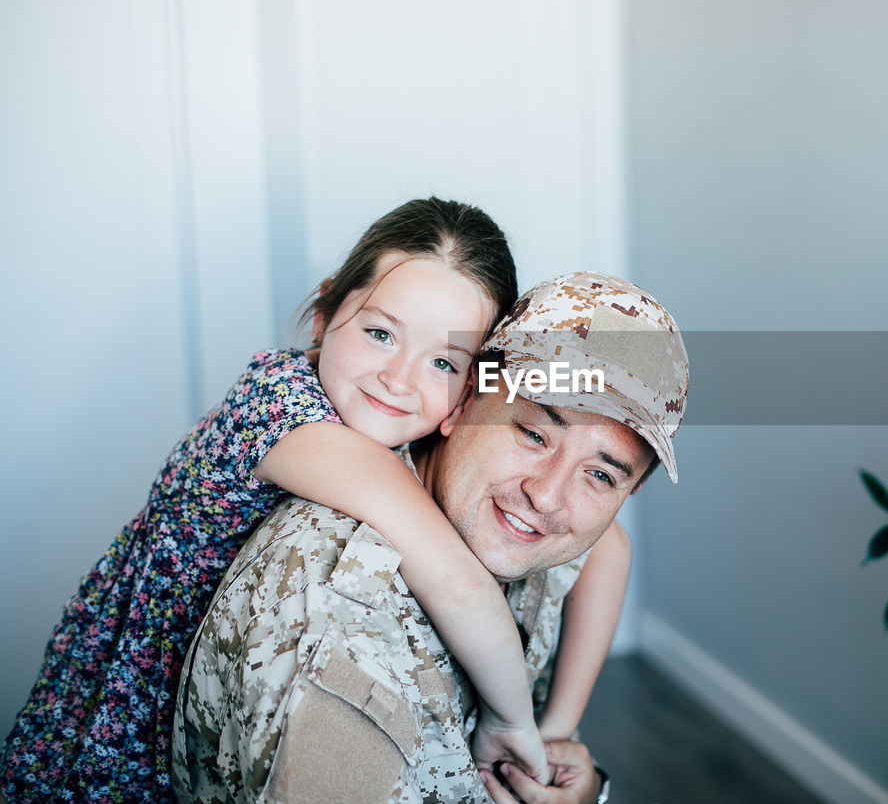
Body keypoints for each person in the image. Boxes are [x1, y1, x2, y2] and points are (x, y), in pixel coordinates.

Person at [1, 200, 622, 802]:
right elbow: (460, 585)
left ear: (469, 391)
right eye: (380, 333)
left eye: (442, 361)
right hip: (118, 735)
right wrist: (513, 725)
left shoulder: (418, 429)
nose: (399, 378)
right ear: (326, 313)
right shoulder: (281, 412)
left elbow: (610, 548)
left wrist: (558, 728)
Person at [171, 271, 690, 804]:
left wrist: (558, 754)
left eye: (600, 475)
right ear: (463, 403)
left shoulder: (526, 525)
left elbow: (610, 548)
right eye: (533, 434)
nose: (549, 497)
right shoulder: (338, 613)